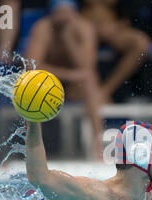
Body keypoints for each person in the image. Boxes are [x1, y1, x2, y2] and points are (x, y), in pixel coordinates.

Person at [25, 0, 104, 159]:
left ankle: (98, 147)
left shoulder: (84, 28)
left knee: (90, 82)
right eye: (59, 13)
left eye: (67, 13)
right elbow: (31, 66)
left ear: (75, 13)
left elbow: (87, 67)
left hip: (75, 87)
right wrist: (70, 75)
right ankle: (32, 150)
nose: (63, 18)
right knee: (29, 83)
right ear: (52, 14)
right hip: (48, 84)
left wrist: (69, 39)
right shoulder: (43, 28)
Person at [80, 0, 151, 104]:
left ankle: (104, 91)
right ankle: (91, 89)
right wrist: (89, 28)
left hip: (113, 29)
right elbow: (66, 12)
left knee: (140, 43)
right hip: (81, 30)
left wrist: (115, 27)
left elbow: (133, 15)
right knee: (76, 37)